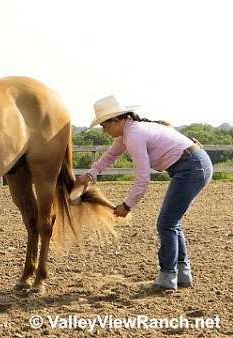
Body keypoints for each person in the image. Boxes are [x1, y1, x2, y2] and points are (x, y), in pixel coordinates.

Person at [76, 95, 213, 291]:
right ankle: (181, 274)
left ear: (116, 120)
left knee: (166, 224)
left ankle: (167, 277)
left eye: (104, 125)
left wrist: (127, 205)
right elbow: (110, 156)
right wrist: (90, 175)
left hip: (191, 168)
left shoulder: (134, 135)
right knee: (172, 223)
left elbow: (143, 179)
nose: (104, 131)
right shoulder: (127, 132)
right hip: (194, 164)